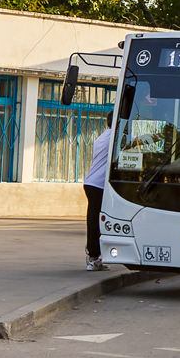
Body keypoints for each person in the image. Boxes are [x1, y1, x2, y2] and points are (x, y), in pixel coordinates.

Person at [84, 112, 113, 270]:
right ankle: (94, 258)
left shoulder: (102, 136)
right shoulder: (113, 138)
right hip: (99, 185)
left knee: (94, 220)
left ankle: (94, 256)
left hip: (91, 182)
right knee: (96, 222)